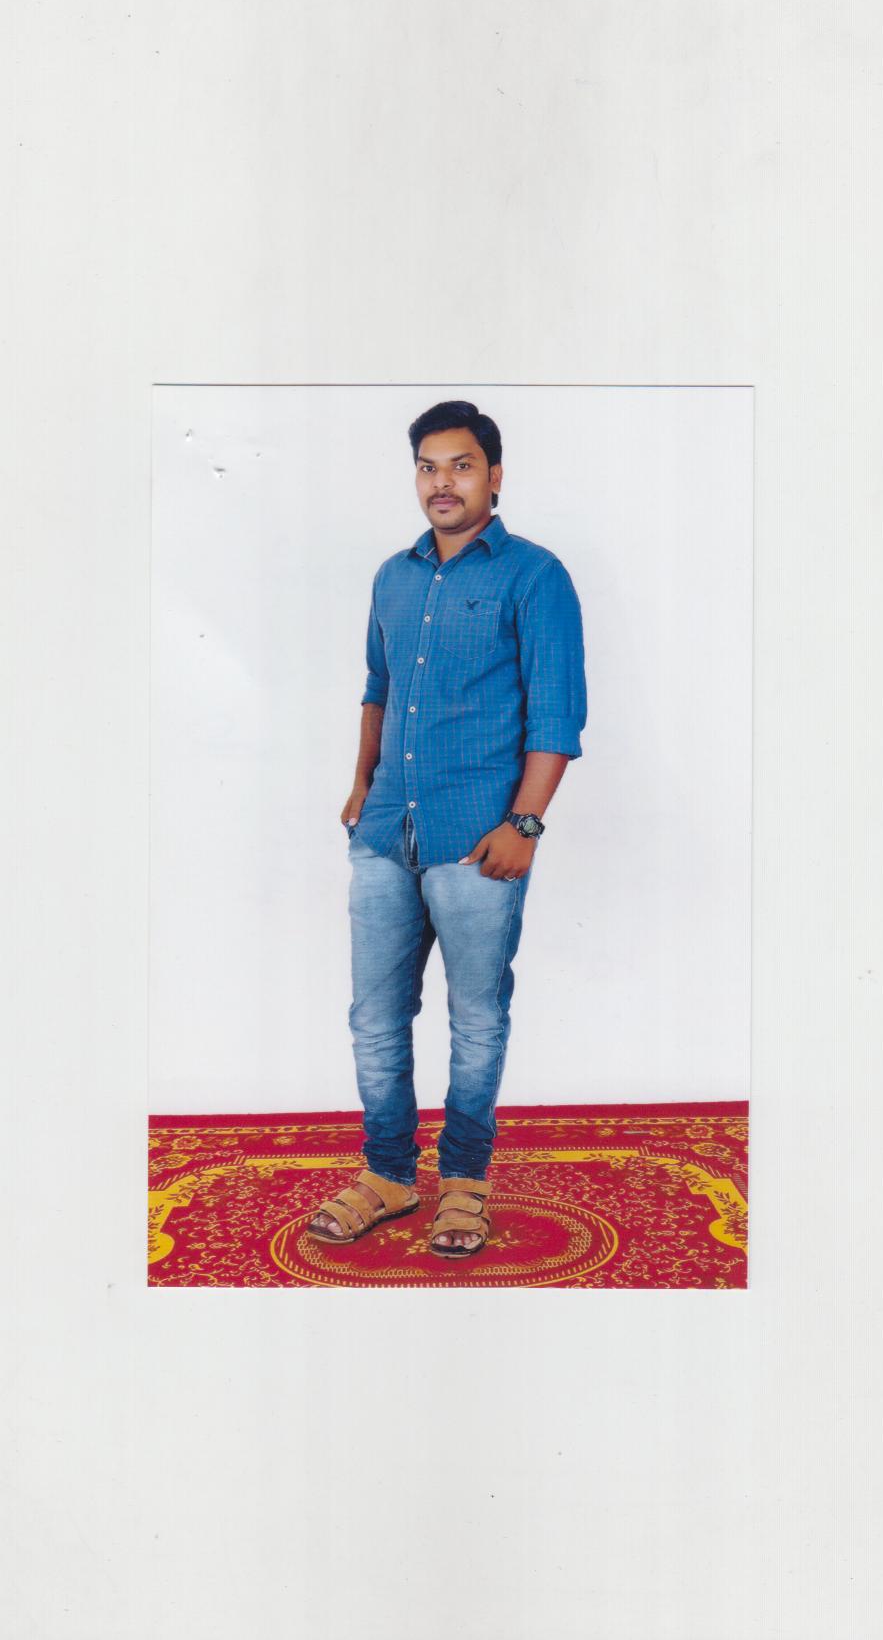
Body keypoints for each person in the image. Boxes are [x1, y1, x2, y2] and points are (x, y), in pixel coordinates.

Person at [308, 399, 587, 1258]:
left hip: (477, 841)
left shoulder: (535, 576)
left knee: (477, 1019)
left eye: (461, 466)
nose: (442, 482)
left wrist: (525, 824)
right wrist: (361, 784)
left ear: (493, 476)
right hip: (385, 833)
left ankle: (463, 1184)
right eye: (428, 467)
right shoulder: (392, 577)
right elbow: (377, 688)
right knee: (373, 1018)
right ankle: (389, 1175)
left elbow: (557, 714)